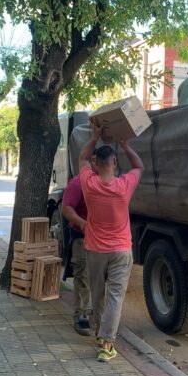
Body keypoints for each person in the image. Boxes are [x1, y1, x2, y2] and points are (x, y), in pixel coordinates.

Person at [78, 120, 144, 362]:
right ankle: (107, 344)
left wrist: (94, 137)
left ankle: (98, 330)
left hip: (95, 250)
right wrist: (126, 145)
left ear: (97, 164)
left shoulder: (89, 183)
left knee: (98, 294)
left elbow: (83, 159)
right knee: (116, 296)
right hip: (120, 250)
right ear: (114, 164)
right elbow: (139, 166)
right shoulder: (124, 185)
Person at [59, 155, 95, 336]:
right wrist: (83, 224)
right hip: (82, 237)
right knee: (84, 275)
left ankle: (96, 312)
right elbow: (66, 208)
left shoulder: (104, 183)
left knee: (101, 277)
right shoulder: (77, 183)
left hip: (102, 239)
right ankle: (81, 315)